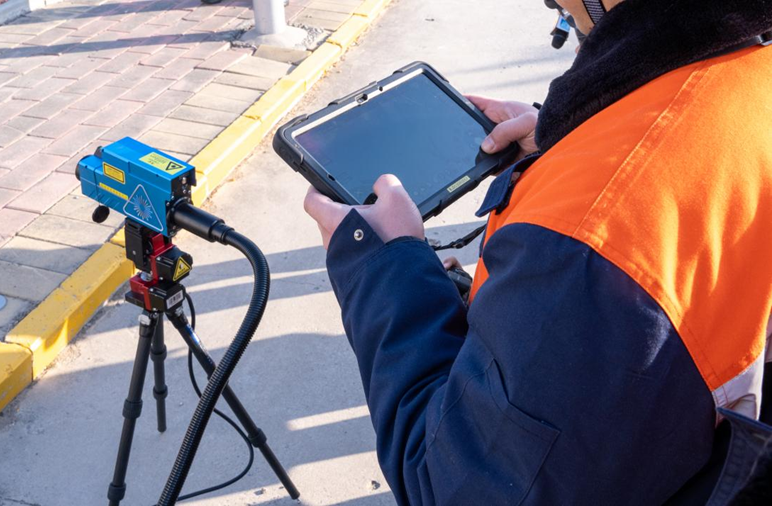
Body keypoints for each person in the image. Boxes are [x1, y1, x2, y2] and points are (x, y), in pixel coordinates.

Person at [303, 0, 772, 504]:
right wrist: (572, 141)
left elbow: (460, 489)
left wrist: (385, 271)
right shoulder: (748, 70)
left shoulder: (588, 242)